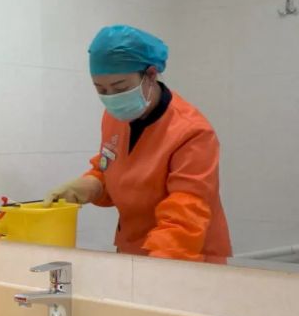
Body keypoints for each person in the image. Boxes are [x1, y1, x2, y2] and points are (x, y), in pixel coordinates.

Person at [44, 25, 231, 264]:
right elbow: (112, 167)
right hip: (133, 250)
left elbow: (186, 211)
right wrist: (91, 185)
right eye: (101, 89)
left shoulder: (192, 132)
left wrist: (155, 269)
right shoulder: (114, 117)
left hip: (182, 255)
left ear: (150, 75)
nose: (112, 98)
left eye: (120, 88)